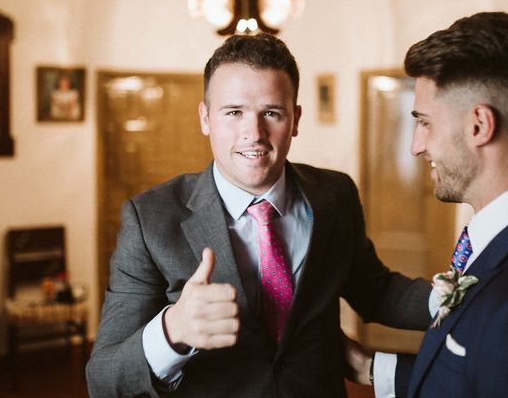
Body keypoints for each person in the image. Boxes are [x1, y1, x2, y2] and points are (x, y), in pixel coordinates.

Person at [86, 33, 432, 397]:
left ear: (295, 120)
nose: (254, 133)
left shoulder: (335, 195)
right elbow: (104, 380)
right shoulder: (150, 219)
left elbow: (376, 291)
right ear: (205, 118)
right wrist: (173, 331)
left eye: (271, 113)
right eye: (234, 112)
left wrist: (461, 297)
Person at [347, 12, 508, 397]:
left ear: (479, 126)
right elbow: (476, 371)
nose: (416, 146)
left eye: (425, 123)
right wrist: (368, 367)